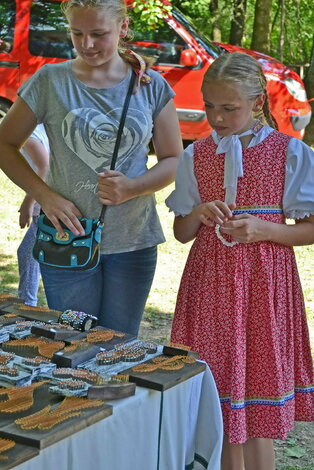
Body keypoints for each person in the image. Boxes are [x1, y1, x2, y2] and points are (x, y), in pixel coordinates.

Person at [166, 52, 314, 470]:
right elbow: (181, 233)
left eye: (229, 108)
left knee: (258, 391)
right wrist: (197, 214)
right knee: (221, 395)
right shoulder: (197, 155)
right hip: (210, 285)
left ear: (256, 102)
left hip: (264, 287)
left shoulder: (289, 153)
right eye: (210, 106)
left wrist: (267, 230)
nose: (216, 117)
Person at [0, 0, 183, 335]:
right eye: (77, 33)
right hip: (64, 239)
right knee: (72, 342)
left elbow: (174, 159)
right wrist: (44, 196)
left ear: (123, 28)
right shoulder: (50, 81)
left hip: (134, 242)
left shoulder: (150, 85)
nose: (87, 44)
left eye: (99, 34)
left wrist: (133, 187)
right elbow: (5, 144)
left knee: (119, 347)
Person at [17, 124, 50, 306]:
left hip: (44, 201)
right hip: (45, 199)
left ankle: (26, 306)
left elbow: (44, 167)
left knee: (29, 253)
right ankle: (26, 304)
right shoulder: (37, 126)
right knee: (29, 253)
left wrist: (28, 203)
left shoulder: (27, 132)